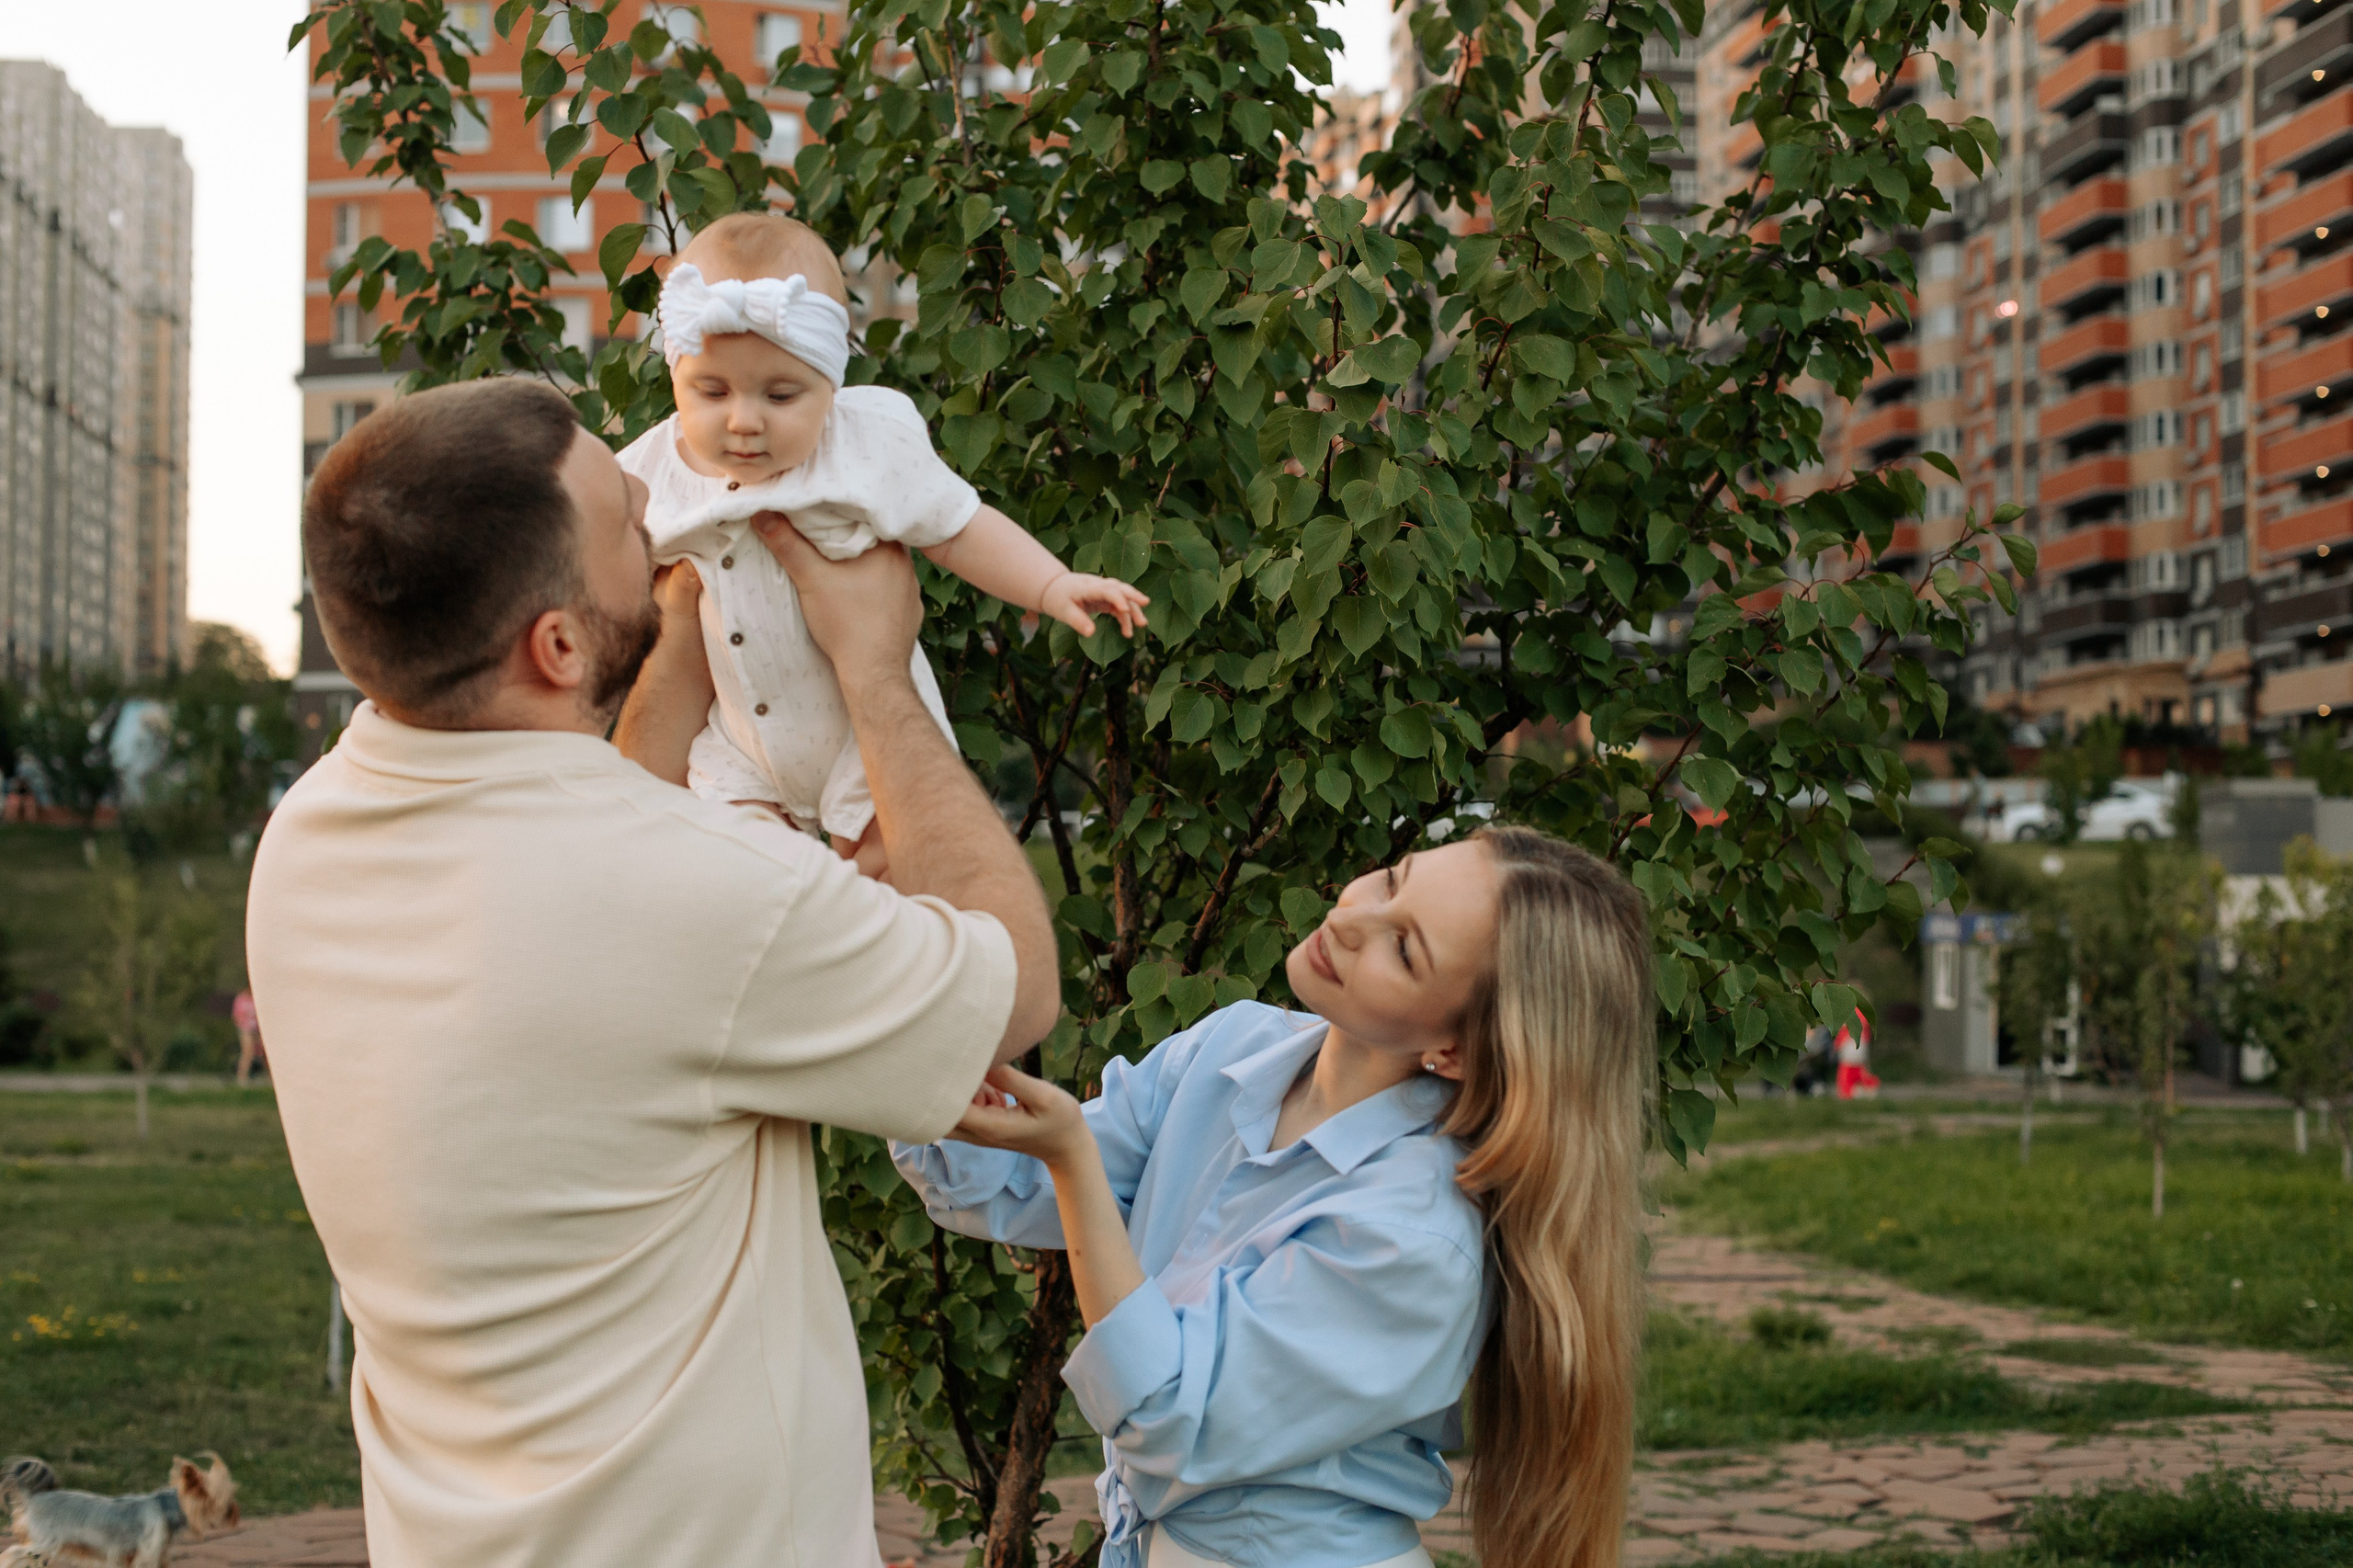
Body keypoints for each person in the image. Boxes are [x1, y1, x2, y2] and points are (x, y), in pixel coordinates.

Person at [245, 376, 1060, 1568]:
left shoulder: (309, 836)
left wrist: (676, 642)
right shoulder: (706, 894)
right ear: (560, 642)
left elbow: (594, 838)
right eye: (621, 508)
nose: (653, 480)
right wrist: (879, 671)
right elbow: (1015, 983)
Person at [896, 827, 1655, 1568]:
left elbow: (1165, 1416)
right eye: (1393, 878)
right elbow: (994, 1181)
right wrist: (910, 973)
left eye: (1403, 947)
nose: (1351, 918)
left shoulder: (1412, 1236)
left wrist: (1070, 1159)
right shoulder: (1234, 1047)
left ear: (1452, 1051)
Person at [618, 211, 1149, 877]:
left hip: (862, 742)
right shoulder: (650, 473)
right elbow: (599, 571)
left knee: (899, 872)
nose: (744, 420)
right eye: (711, 391)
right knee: (742, 877)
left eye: (781, 395)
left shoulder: (862, 445)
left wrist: (1050, 583)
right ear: (675, 378)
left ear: (830, 385)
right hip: (740, 745)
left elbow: (958, 525)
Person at [230, 987, 264, 1085]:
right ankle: (242, 1077)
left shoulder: (257, 998)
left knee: (264, 1051)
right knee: (248, 1051)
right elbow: (237, 1016)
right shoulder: (241, 999)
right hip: (246, 1028)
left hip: (257, 1028)